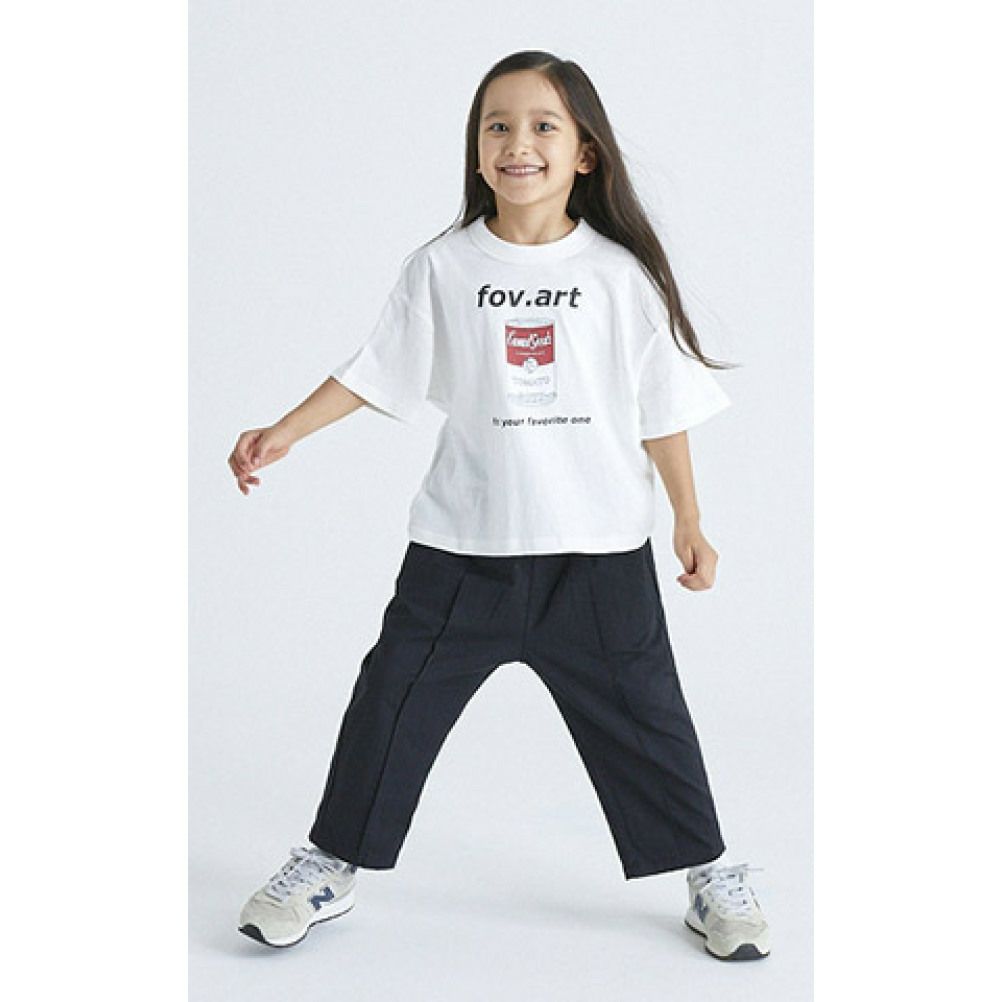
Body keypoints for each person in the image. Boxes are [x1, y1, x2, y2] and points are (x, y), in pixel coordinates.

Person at [227, 50, 770, 962]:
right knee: (389, 701)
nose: (520, 143)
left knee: (647, 717)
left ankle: (709, 874)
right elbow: (377, 369)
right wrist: (285, 430)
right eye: (498, 126)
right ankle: (330, 863)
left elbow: (661, 407)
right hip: (461, 551)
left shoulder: (619, 275)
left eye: (543, 126)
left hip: (596, 554)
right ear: (477, 152)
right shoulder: (443, 267)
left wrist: (689, 519)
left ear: (585, 154)